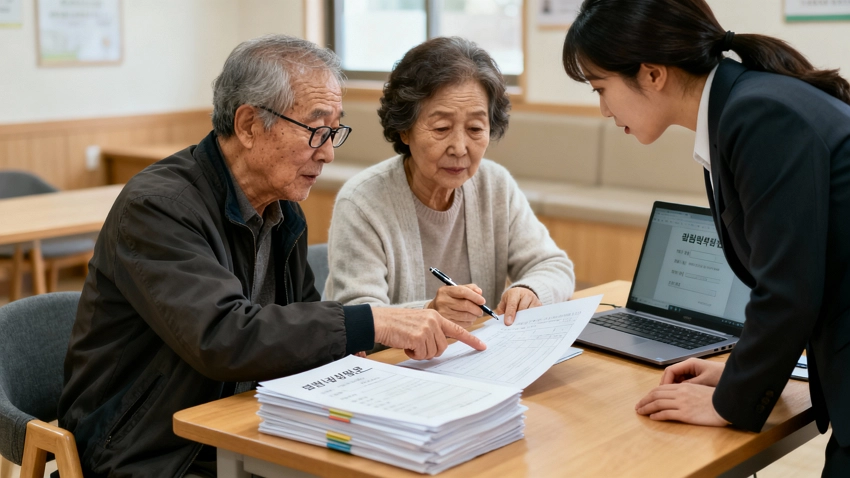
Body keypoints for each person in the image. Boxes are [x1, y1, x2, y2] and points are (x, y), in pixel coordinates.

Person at [57, 35, 485, 478]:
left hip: (246, 424)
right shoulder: (158, 207)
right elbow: (223, 336)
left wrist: (391, 335)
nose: (328, 151)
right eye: (316, 129)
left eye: (334, 130)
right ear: (247, 125)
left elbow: (301, 326)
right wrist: (375, 321)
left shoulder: (280, 208)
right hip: (152, 450)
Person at [561, 0, 850, 474]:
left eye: (601, 88)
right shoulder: (745, 104)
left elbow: (788, 288)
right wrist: (735, 373)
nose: (603, 110)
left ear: (652, 74)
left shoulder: (758, 115)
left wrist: (728, 402)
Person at [325, 37, 575, 332]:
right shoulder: (362, 201)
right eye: (442, 128)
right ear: (405, 130)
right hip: (394, 369)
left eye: (475, 128)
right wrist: (429, 312)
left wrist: (531, 291)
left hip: (475, 361)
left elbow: (555, 266)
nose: (459, 147)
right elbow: (356, 316)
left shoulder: (494, 186)